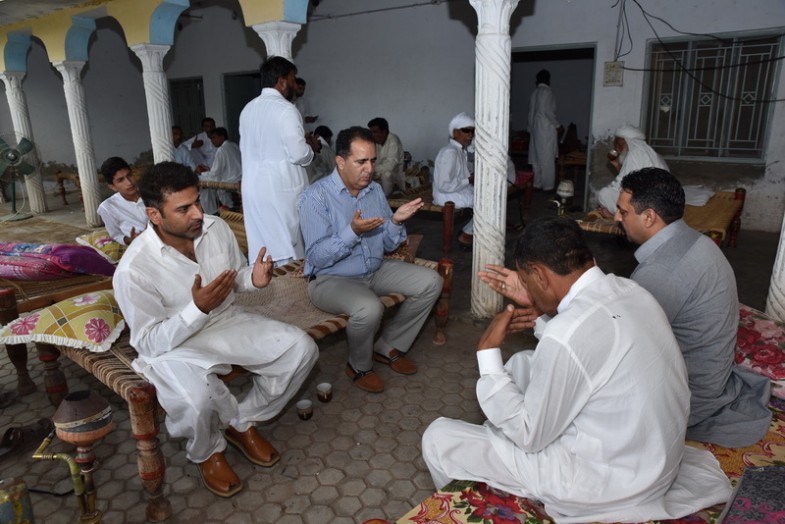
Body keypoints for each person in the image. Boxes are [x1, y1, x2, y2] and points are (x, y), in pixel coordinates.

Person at [422, 216, 730, 522]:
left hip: (605, 484)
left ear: (540, 275)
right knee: (523, 362)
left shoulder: (566, 333)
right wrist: (540, 308)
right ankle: (506, 450)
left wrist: (487, 353)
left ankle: (489, 500)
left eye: (527, 281)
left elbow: (531, 434)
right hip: (653, 462)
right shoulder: (632, 290)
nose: (527, 289)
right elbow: (588, 344)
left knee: (439, 438)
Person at [113, 162, 318, 498]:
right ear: (154, 215)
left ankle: (240, 421)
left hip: (225, 321)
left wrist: (253, 278)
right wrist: (196, 310)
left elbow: (233, 277)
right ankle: (207, 451)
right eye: (184, 209)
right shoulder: (134, 269)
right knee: (197, 401)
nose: (198, 214)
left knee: (300, 349)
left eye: (197, 201)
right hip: (173, 347)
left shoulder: (215, 227)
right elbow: (148, 342)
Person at [615, 168, 771, 447]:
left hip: (691, 398)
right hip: (713, 380)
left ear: (649, 217)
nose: (617, 217)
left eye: (623, 211)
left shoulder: (662, 271)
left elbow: (623, 349)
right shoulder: (697, 240)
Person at [298, 127, 442, 394]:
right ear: (340, 162)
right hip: (331, 279)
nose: (370, 169)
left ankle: (387, 345)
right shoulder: (315, 196)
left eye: (373, 161)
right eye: (361, 162)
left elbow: (387, 244)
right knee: (370, 308)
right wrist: (352, 232)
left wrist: (395, 221)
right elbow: (317, 256)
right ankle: (359, 366)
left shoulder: (374, 191)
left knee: (431, 282)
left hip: (375, 269)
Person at [240, 56, 319, 266]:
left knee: (263, 247)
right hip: (281, 190)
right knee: (288, 249)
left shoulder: (247, 109)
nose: (295, 84)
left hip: (253, 190)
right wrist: (311, 150)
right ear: (282, 81)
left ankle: (265, 281)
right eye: (293, 79)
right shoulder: (286, 109)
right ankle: (289, 283)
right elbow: (299, 154)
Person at [596, 124, 668, 216]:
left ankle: (623, 216)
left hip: (648, 202)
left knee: (604, 193)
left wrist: (606, 202)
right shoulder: (647, 152)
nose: (617, 148)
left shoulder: (634, 154)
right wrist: (617, 165)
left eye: (619, 145)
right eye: (616, 145)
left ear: (628, 142)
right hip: (656, 201)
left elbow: (625, 184)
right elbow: (630, 177)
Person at [432, 112, 475, 250]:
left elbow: (460, 177)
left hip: (456, 191)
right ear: (455, 132)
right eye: (466, 130)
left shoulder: (459, 151)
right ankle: (466, 235)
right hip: (446, 195)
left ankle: (469, 233)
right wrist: (468, 180)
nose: (470, 135)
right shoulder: (450, 152)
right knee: (486, 203)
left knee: (488, 196)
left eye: (472, 131)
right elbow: (444, 185)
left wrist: (470, 178)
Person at [97, 156, 147, 245]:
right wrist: (131, 239)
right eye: (121, 180)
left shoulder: (152, 193)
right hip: (141, 246)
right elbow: (116, 236)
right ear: (112, 187)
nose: (129, 182)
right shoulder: (107, 207)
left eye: (130, 175)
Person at [527, 69, 560, 192]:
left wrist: (530, 128)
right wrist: (557, 125)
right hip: (546, 129)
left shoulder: (534, 93)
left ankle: (537, 183)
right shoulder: (547, 92)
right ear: (548, 80)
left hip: (535, 129)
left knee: (536, 158)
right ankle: (548, 186)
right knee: (547, 159)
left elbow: (530, 113)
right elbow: (548, 112)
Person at [196, 127, 242, 214]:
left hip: (231, 180)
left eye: (214, 138)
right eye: (211, 138)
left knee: (200, 181)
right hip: (240, 178)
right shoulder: (234, 145)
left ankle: (213, 211)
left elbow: (215, 172)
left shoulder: (221, 150)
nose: (212, 141)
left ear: (222, 137)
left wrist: (202, 173)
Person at [367, 117, 405, 196]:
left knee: (386, 175)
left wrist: (373, 170)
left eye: (375, 132)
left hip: (394, 177)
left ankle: (386, 199)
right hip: (378, 175)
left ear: (384, 132)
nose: (372, 135)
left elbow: (391, 165)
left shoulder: (393, 140)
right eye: (371, 132)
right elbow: (373, 161)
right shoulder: (376, 143)